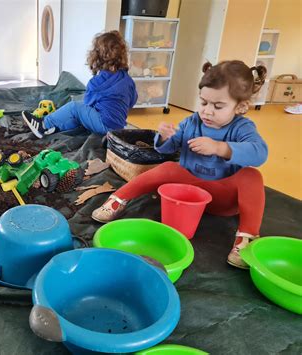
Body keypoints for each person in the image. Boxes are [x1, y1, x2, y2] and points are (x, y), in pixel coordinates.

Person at [92, 60, 268, 269]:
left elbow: (260, 152)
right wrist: (165, 138)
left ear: (241, 106)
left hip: (222, 198)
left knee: (252, 177)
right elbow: (166, 150)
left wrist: (221, 148)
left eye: (218, 106)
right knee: (168, 168)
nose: (207, 112)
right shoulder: (192, 122)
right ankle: (118, 199)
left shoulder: (243, 127)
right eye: (203, 103)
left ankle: (246, 238)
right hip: (186, 191)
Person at [22, 30, 138, 139]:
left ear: (96, 56)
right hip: (119, 127)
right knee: (80, 112)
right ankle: (55, 126)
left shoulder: (96, 82)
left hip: (106, 127)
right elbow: (132, 101)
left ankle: (43, 125)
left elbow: (88, 102)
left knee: (75, 107)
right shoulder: (127, 80)